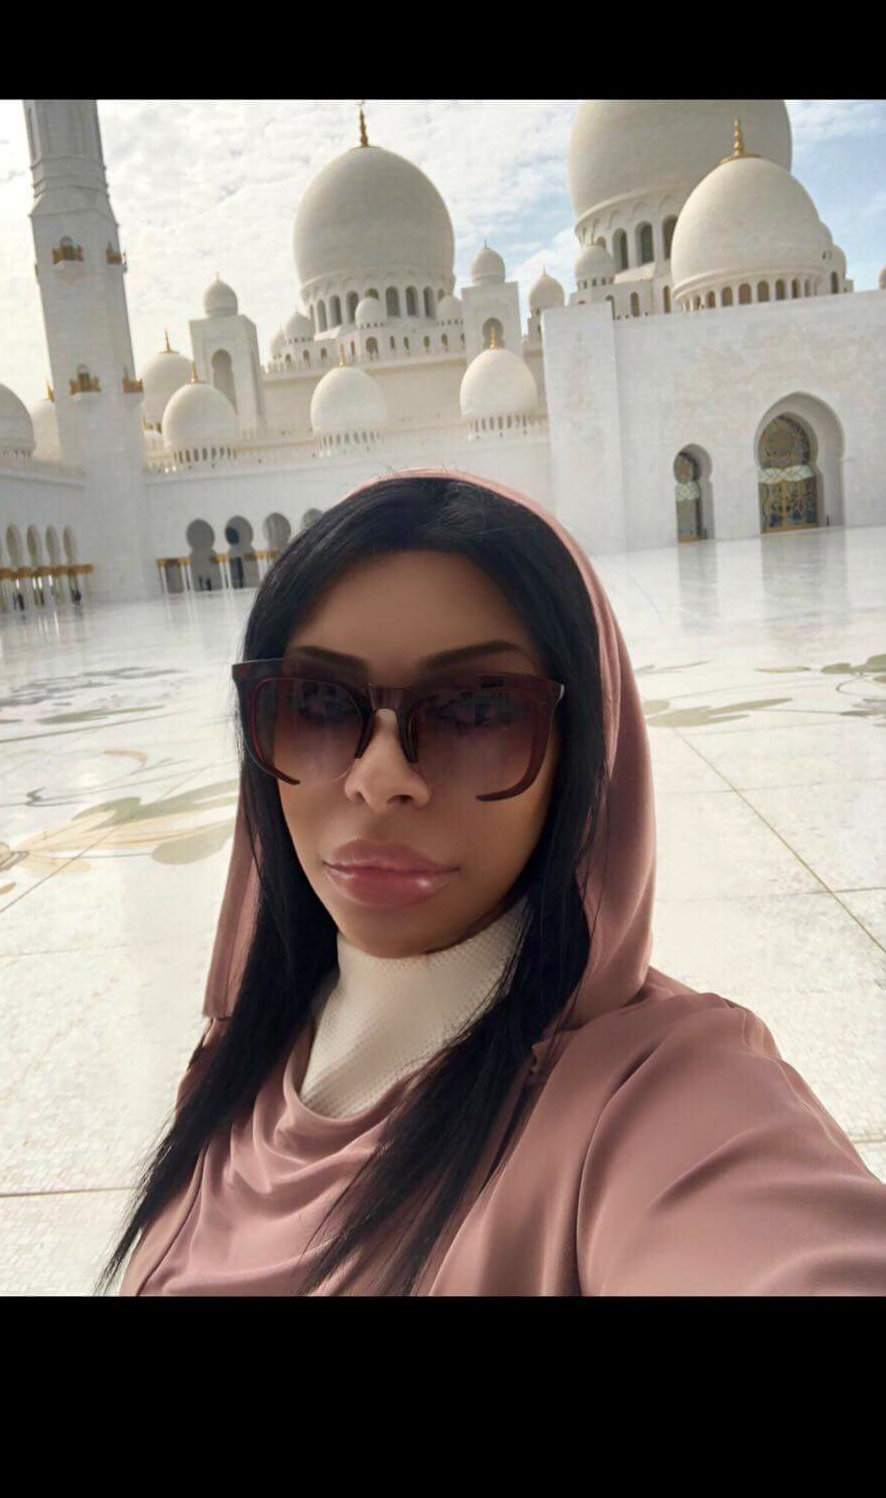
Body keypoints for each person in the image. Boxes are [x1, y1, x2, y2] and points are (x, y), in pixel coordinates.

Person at [101, 468, 886, 1297]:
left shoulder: (653, 1098)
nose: (379, 780)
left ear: (581, 757)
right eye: (319, 705)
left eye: (476, 711)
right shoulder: (240, 1059)